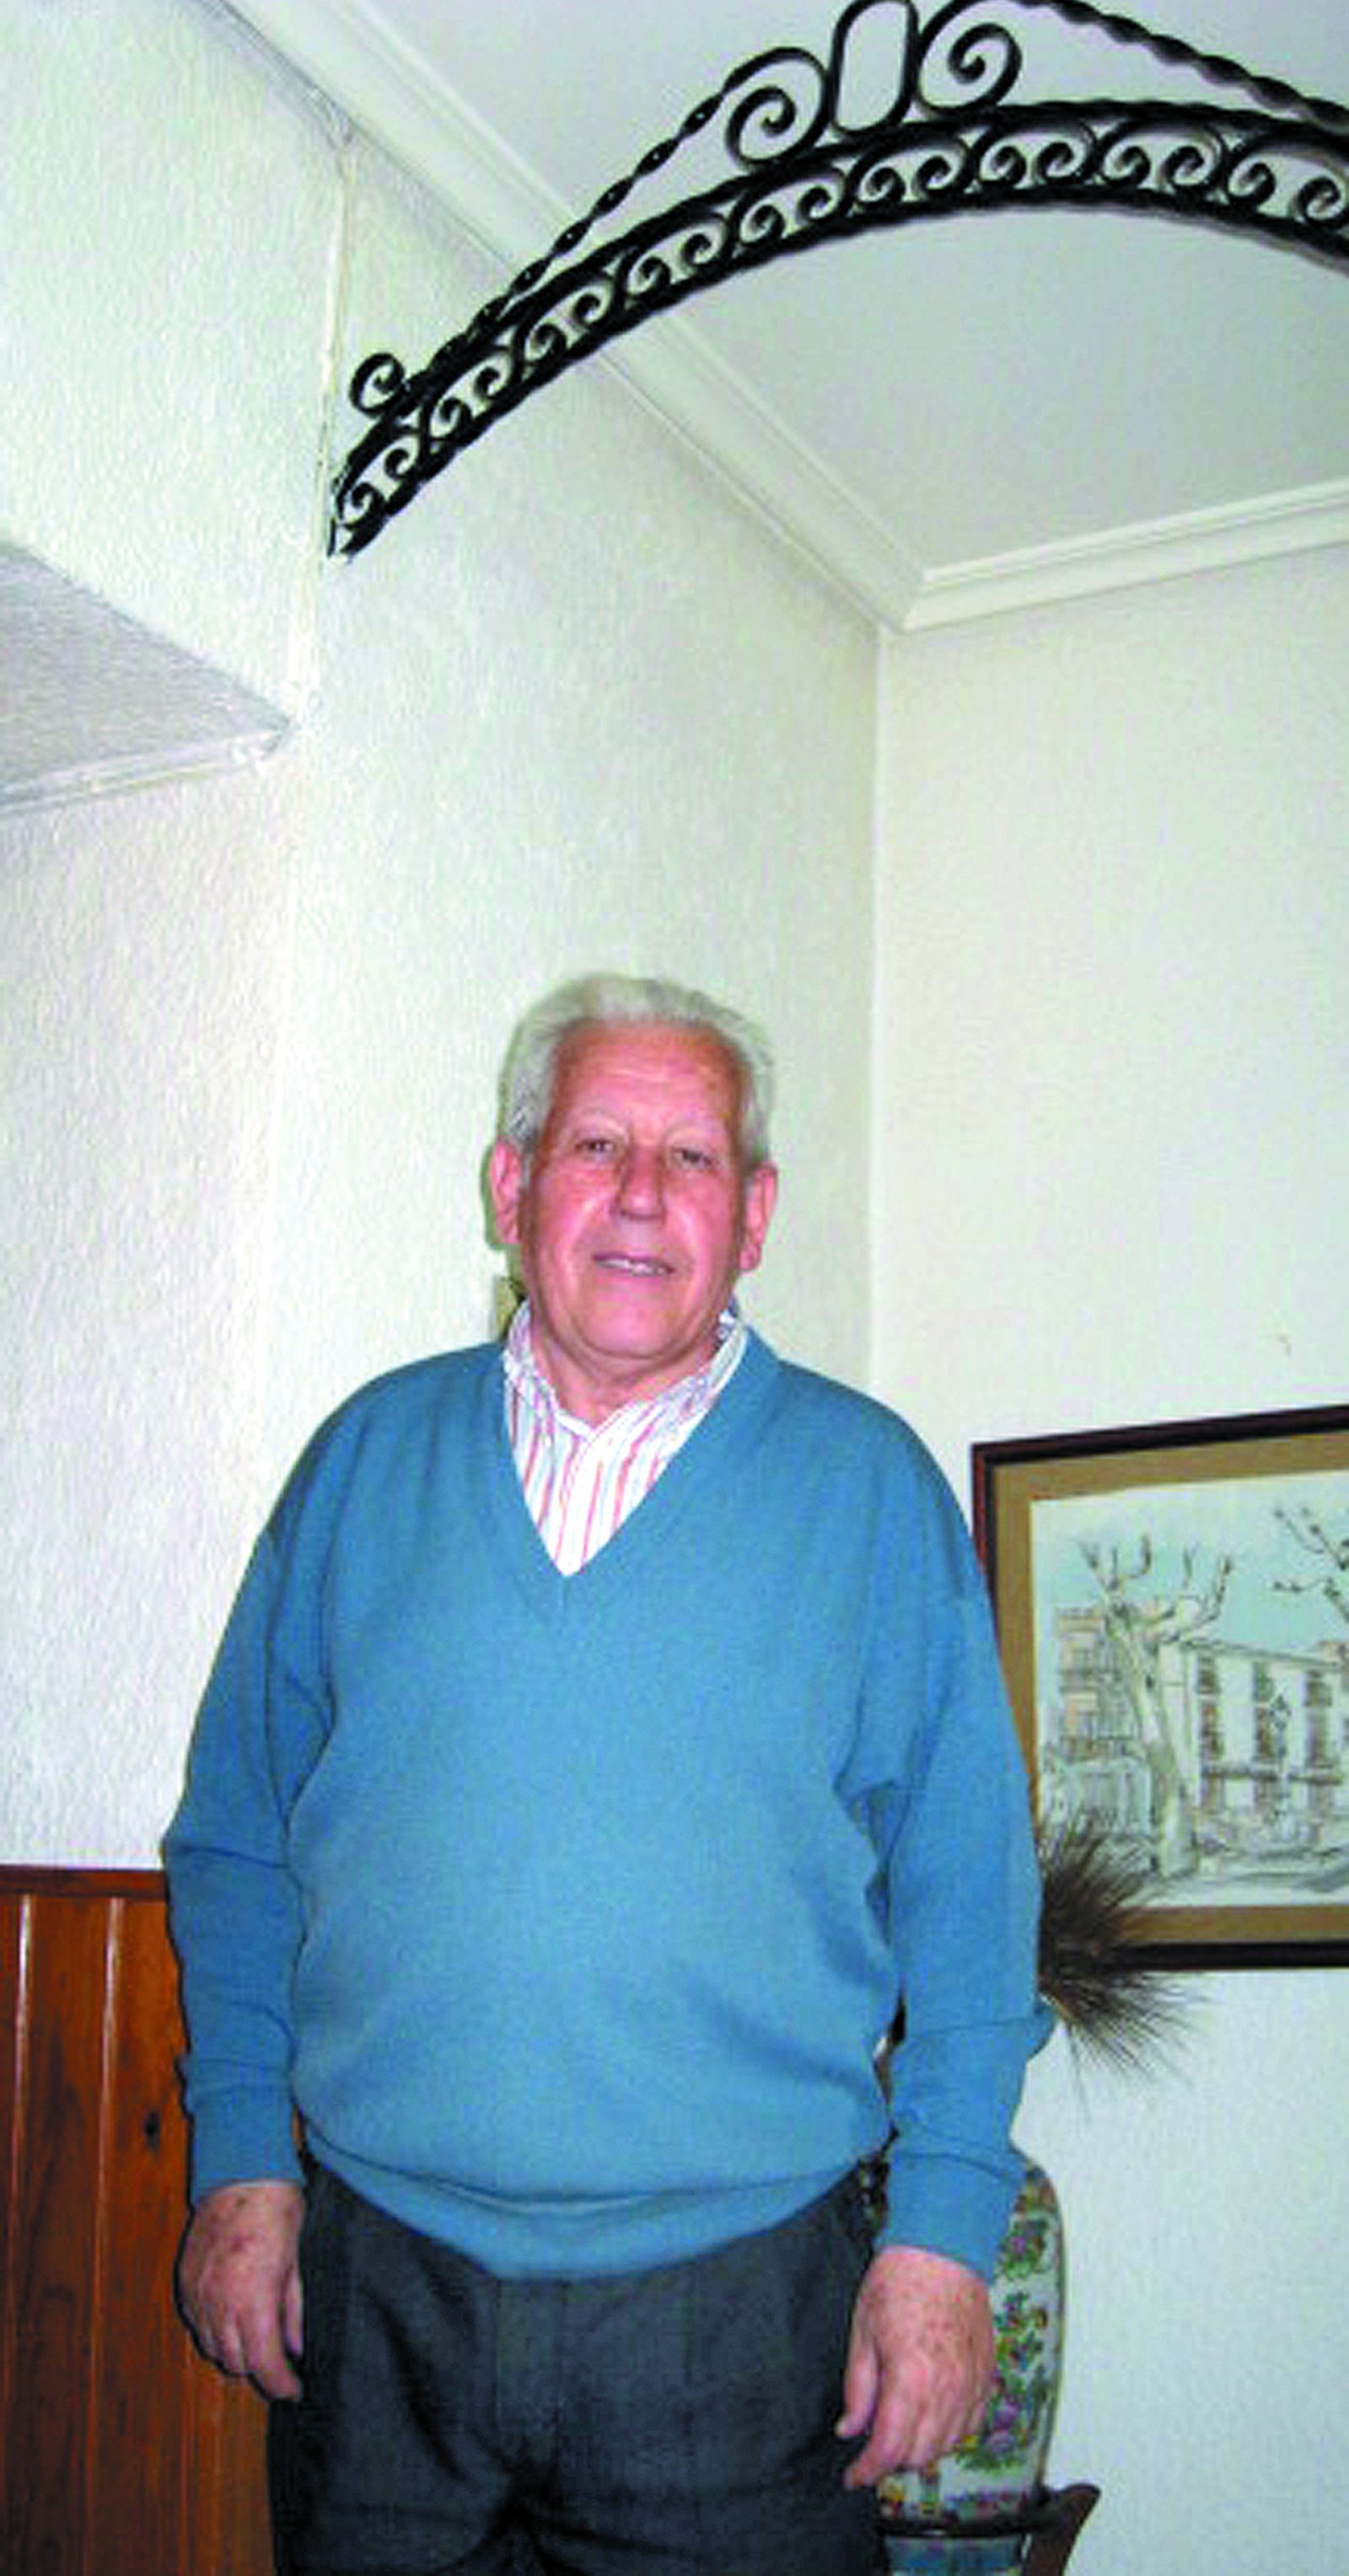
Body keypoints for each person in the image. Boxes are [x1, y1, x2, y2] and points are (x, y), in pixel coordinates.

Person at [165, 971, 1045, 2576]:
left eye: (693, 1156)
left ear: (754, 1214)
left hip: (740, 2325)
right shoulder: (364, 1462)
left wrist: (943, 2238)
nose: (643, 1193)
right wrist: (237, 2158)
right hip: (375, 2313)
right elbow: (235, 1843)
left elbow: (973, 1906)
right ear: (513, 1187)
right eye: (595, 1145)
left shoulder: (870, 1494)